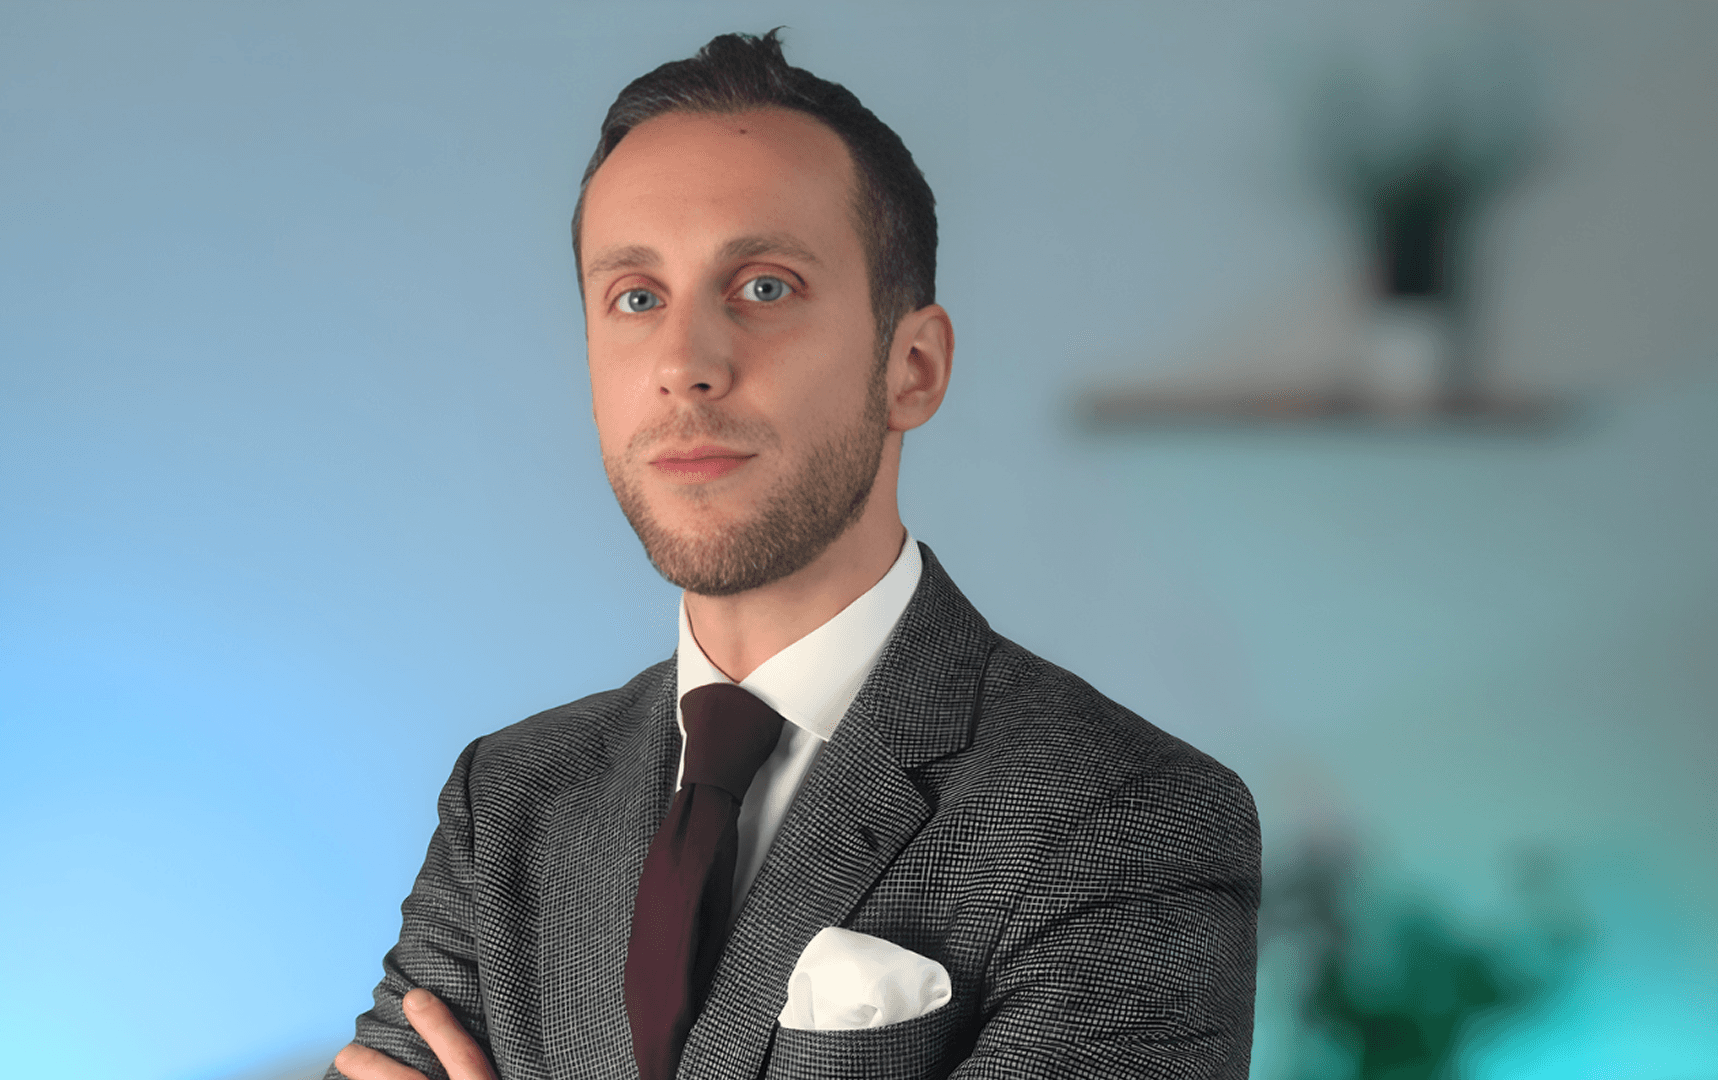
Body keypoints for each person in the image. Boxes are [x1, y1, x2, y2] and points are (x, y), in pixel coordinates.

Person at [327, 29, 1259, 1080]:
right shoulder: (505, 803)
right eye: (636, 298)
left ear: (913, 367)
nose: (685, 363)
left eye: (764, 287)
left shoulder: (1123, 818)